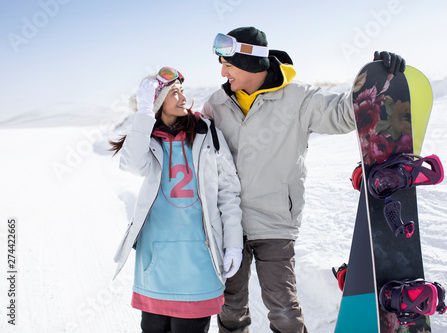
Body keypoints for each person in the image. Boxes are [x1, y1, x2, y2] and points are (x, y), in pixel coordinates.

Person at [202, 27, 406, 333]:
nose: (222, 71)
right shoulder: (216, 104)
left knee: (283, 308)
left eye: (228, 64)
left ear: (249, 63)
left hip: (274, 220)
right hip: (227, 223)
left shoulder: (298, 98)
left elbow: (343, 114)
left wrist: (377, 81)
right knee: (230, 308)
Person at [111, 67, 244, 333]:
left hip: (199, 262)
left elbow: (228, 193)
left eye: (182, 91)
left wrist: (233, 244)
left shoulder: (207, 134)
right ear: (157, 104)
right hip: (156, 264)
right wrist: (144, 115)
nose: (183, 98)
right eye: (174, 93)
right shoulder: (146, 141)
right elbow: (131, 164)